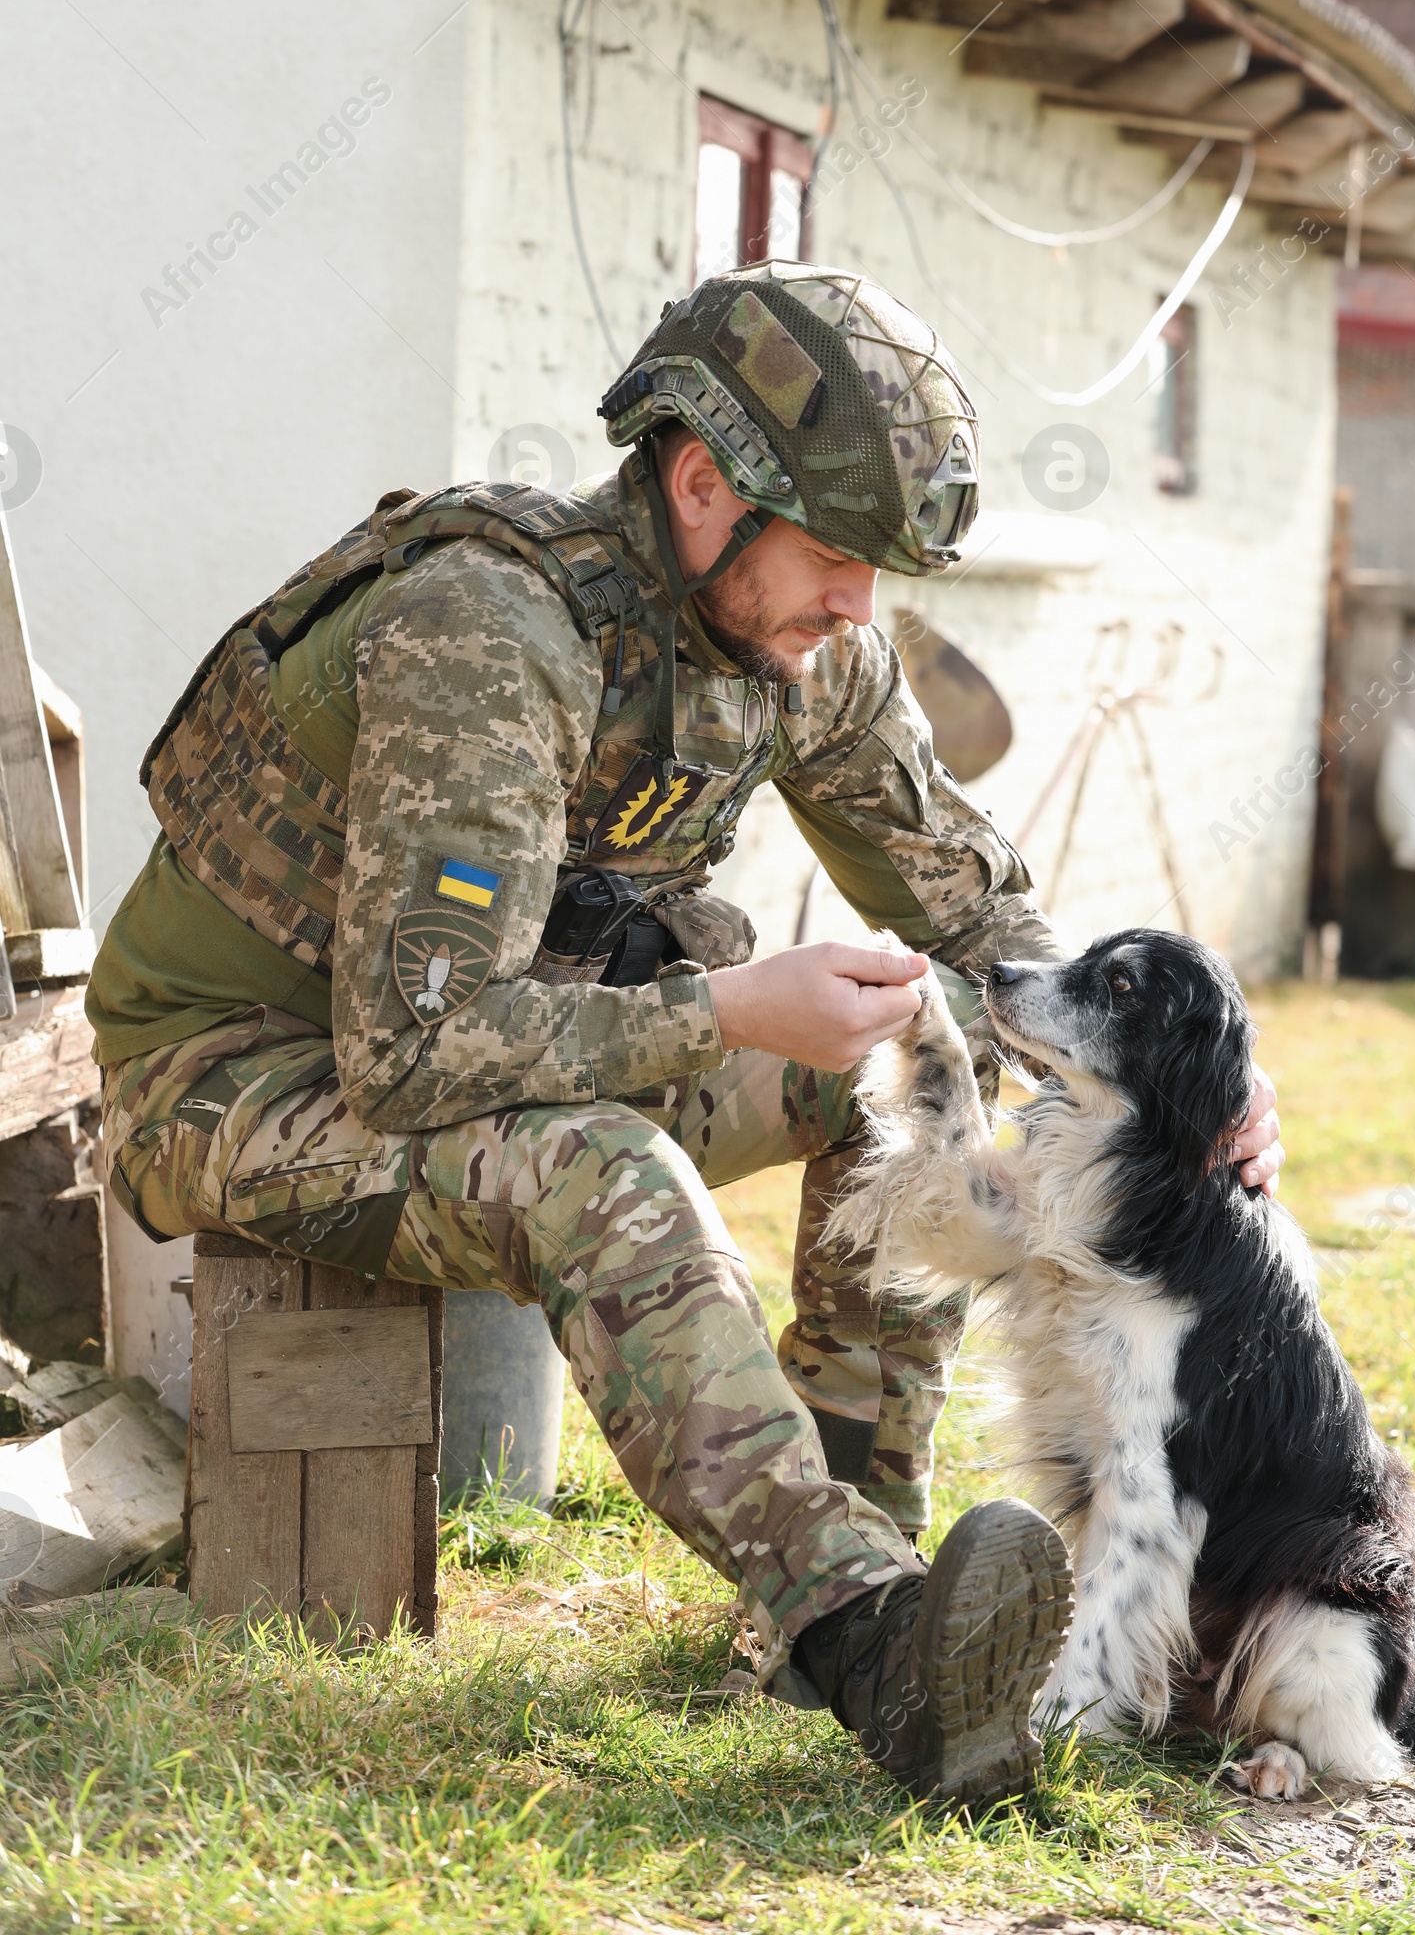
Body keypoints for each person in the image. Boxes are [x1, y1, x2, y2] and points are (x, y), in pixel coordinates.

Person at [88, 263, 1283, 1808]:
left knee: (909, 1067)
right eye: (841, 555)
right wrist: (719, 1007)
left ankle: (845, 1569)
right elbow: (410, 1050)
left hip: (474, 1050)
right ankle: (872, 1647)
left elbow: (972, 906)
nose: (864, 604)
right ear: (703, 483)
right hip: (235, 1077)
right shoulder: (492, 628)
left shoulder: (797, 646)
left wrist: (1192, 1092)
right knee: (605, 1168)